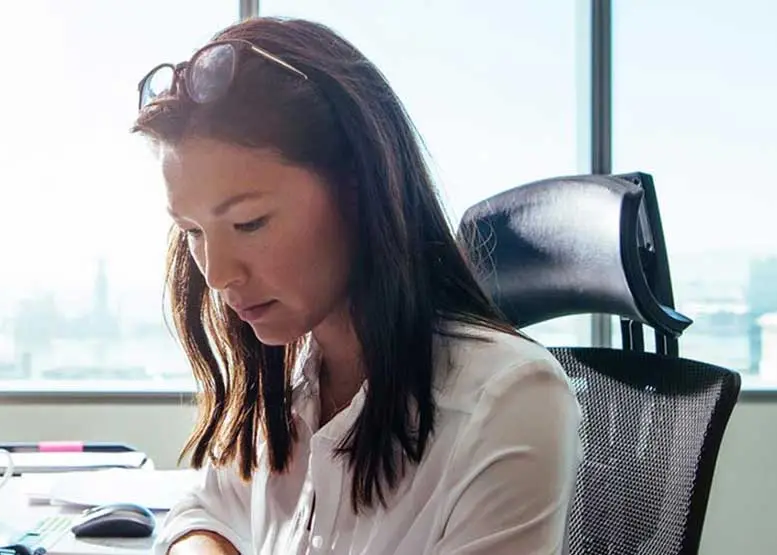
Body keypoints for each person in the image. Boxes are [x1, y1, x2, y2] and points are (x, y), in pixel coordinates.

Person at [133, 17, 582, 555]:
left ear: (360, 190)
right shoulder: (295, 371)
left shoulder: (506, 401)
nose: (218, 274)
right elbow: (206, 510)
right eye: (193, 232)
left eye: (250, 223)